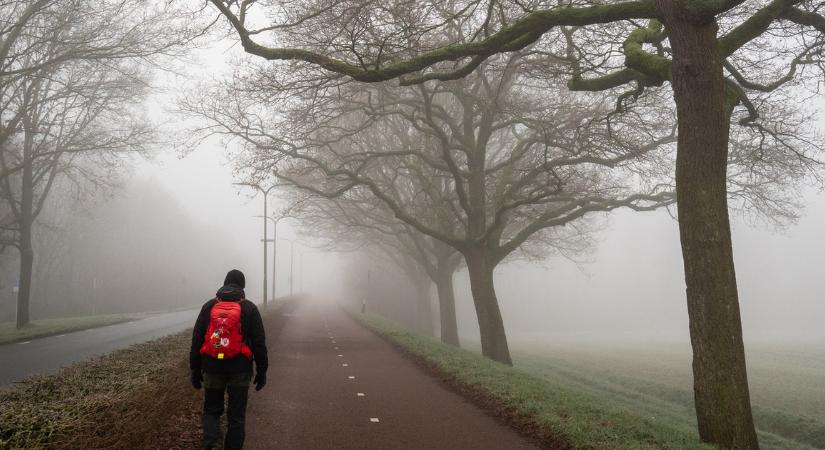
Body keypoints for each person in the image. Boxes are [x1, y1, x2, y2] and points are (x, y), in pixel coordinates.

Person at [190, 269, 267, 450]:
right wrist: (262, 371)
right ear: (242, 286)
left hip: (212, 367)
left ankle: (212, 446)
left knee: (212, 411)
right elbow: (259, 342)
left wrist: (195, 369)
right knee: (236, 416)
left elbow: (197, 338)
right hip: (240, 369)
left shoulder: (209, 306)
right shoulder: (249, 308)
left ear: (224, 283)